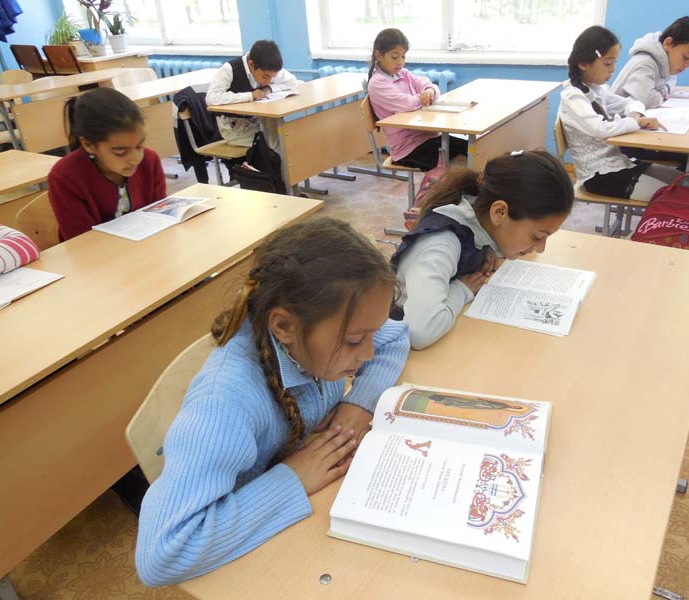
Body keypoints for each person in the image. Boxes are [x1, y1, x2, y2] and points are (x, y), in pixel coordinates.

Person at [135, 218, 410, 586]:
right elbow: (162, 555)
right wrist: (294, 477)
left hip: (300, 524)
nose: (369, 352)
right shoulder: (224, 403)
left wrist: (357, 405)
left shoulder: (312, 335)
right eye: (355, 341)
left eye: (369, 335)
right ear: (283, 326)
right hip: (246, 557)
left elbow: (396, 336)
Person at [391, 151, 574, 350]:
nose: (541, 249)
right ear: (499, 213)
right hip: (401, 346)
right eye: (537, 236)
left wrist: (491, 248)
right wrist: (462, 290)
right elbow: (419, 333)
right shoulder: (441, 245)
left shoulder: (481, 217)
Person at [558, 26, 682, 203]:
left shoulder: (598, 90)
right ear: (583, 64)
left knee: (685, 182)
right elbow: (600, 129)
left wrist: (635, 114)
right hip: (599, 176)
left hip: (620, 162)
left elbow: (632, 102)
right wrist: (635, 121)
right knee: (678, 196)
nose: (612, 69)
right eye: (607, 63)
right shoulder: (573, 97)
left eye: (614, 63)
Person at [611, 16, 689, 210]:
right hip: (625, 136)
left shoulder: (663, 60)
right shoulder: (645, 63)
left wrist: (661, 92)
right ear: (668, 43)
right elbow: (647, 100)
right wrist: (663, 93)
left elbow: (669, 84)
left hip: (641, 129)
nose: (687, 65)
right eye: (686, 57)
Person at [48, 87, 166, 241]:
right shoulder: (65, 177)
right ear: (88, 145)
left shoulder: (149, 161)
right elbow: (82, 242)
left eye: (139, 146)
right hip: (95, 253)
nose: (136, 158)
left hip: (147, 247)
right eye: (120, 152)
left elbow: (161, 218)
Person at [367, 27, 468, 171]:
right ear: (379, 55)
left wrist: (429, 91)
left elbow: (429, 85)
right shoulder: (378, 83)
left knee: (470, 148)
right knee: (463, 159)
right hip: (407, 148)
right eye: (394, 57)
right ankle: (447, 185)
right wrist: (423, 98)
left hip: (426, 137)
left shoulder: (403, 73)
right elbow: (406, 104)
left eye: (403, 57)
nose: (400, 62)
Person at [205, 39, 299, 151]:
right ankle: (276, 161)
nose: (268, 81)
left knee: (286, 133)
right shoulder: (229, 69)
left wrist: (268, 89)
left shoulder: (268, 66)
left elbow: (292, 82)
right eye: (265, 77)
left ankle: (280, 160)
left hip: (257, 119)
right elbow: (211, 98)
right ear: (251, 64)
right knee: (272, 141)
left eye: (272, 77)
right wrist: (250, 96)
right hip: (234, 126)